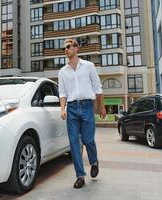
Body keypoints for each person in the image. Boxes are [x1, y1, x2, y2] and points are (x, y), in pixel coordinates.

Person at [58, 38, 106, 189]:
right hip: (71, 108)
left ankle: (94, 161)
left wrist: (101, 107)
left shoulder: (89, 66)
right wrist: (62, 109)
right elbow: (62, 93)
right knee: (74, 144)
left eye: (68, 46)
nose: (66, 49)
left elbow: (97, 88)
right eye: (64, 48)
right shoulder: (62, 72)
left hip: (86, 106)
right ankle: (80, 176)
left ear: (76, 48)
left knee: (88, 139)